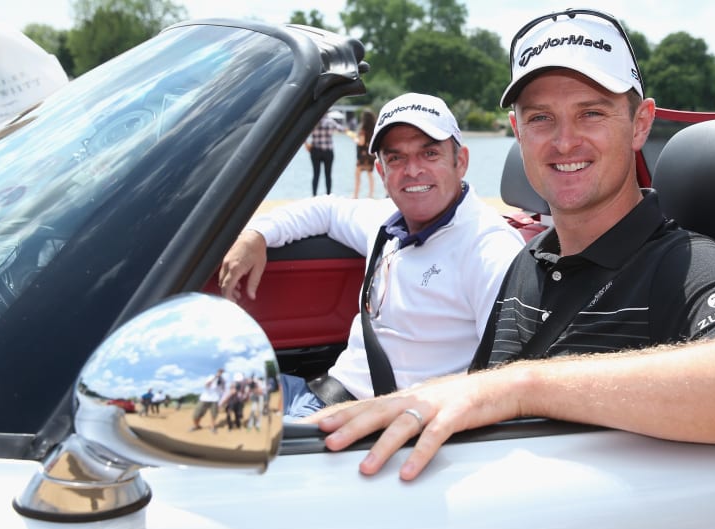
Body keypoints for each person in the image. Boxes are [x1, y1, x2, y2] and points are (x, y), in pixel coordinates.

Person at [305, 8, 715, 481]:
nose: (565, 141)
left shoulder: (684, 265)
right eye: (540, 118)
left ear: (640, 124)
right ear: (518, 132)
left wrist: (521, 386)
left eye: (591, 113)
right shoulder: (526, 261)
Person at [218, 92, 525, 418]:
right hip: (321, 394)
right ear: (380, 171)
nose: (413, 170)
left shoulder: (490, 248)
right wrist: (257, 234)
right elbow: (327, 210)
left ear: (460, 161)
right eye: (396, 159)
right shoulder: (386, 221)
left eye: (430, 153)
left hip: (369, 425)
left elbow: (508, 381)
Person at [305, 111, 345, 196]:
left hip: (315, 150)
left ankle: (314, 195)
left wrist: (306, 144)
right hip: (328, 151)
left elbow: (303, 133)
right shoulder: (330, 121)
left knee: (316, 174)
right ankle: (328, 195)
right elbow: (341, 129)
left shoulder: (314, 121)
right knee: (328, 175)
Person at [352, 109, 378, 198]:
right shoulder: (375, 128)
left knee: (357, 174)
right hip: (371, 155)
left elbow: (361, 142)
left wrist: (355, 139)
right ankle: (371, 194)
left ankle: (355, 195)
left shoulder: (363, 129)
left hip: (362, 155)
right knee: (370, 174)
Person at [191, 368, 227, 432]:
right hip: (205, 398)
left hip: (215, 399)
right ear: (217, 371)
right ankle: (196, 426)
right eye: (220, 371)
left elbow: (223, 390)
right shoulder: (211, 377)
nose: (221, 373)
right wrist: (216, 377)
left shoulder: (222, 380)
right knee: (197, 414)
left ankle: (212, 427)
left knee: (214, 414)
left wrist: (223, 383)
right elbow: (207, 385)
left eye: (222, 372)